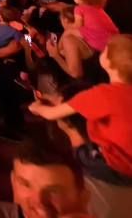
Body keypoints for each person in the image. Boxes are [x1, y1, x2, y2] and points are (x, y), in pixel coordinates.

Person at [29, 34, 132, 186]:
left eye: (105, 51)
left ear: (109, 62)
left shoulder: (103, 94)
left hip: (120, 168)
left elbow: (51, 114)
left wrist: (36, 107)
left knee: (80, 155)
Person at [0, 136, 92, 218]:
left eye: (54, 191)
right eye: (26, 185)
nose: (38, 201)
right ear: (13, 183)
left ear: (82, 196)